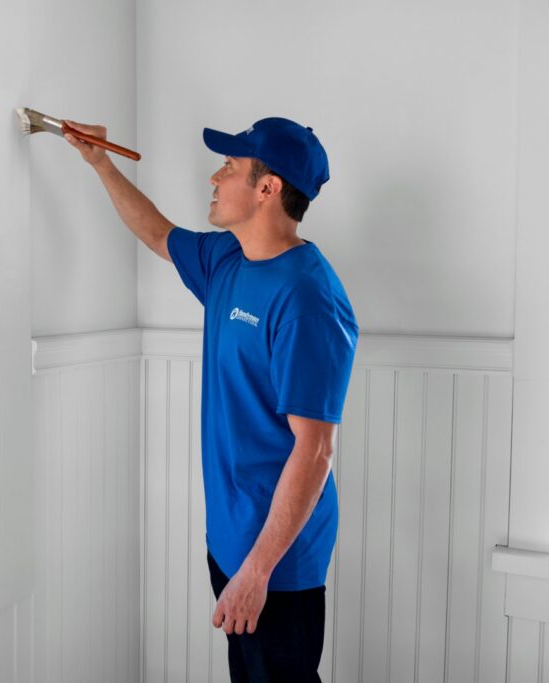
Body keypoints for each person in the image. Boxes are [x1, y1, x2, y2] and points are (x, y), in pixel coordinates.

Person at [64, 117, 358, 682]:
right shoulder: (227, 261)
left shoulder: (308, 299)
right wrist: (100, 161)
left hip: (277, 561)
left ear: (268, 189)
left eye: (230, 167)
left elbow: (315, 450)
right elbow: (156, 233)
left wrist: (257, 571)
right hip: (230, 538)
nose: (214, 177)